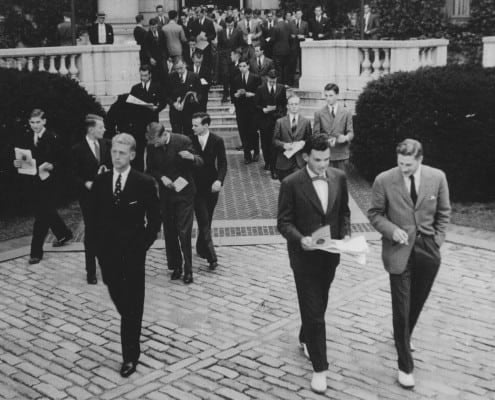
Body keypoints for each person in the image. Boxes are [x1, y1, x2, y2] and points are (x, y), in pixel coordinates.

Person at [368, 139, 451, 389]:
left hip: (427, 250)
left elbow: (444, 212)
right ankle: (405, 365)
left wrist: (436, 241)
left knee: (416, 302)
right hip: (398, 252)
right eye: (400, 163)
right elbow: (374, 214)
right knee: (401, 308)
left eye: (408, 164)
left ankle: (403, 336)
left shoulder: (437, 178)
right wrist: (392, 231)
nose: (403, 168)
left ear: (420, 160)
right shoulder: (383, 180)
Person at [277, 134, 351, 394]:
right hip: (304, 257)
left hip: (330, 255)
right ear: (306, 156)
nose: (323, 165)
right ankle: (320, 369)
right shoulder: (291, 183)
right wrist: (301, 240)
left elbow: (343, 212)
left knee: (318, 304)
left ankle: (304, 336)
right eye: (318, 160)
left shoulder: (339, 178)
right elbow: (283, 222)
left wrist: (347, 235)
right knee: (315, 313)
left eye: (327, 160)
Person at [92, 133, 160, 378]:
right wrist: (97, 255)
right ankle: (130, 322)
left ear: (132, 155)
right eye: (113, 152)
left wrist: (142, 245)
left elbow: (154, 220)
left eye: (121, 153)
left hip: (133, 254)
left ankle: (130, 356)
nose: (116, 157)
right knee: (121, 299)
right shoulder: (101, 182)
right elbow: (94, 221)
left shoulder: (143, 182)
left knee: (133, 304)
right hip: (108, 255)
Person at [12, 109, 73, 265]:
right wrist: (17, 163)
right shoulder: (27, 137)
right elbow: (24, 157)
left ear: (44, 121)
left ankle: (36, 252)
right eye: (32, 122)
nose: (35, 125)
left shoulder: (53, 138)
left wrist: (52, 166)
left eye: (38, 122)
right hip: (34, 182)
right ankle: (64, 234)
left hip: (50, 182)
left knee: (41, 217)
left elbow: (65, 161)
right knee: (46, 211)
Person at [145, 123, 203, 284]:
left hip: (185, 194)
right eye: (152, 143)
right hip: (166, 195)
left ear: (164, 135)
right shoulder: (152, 147)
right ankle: (176, 266)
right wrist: (161, 177)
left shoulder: (183, 140)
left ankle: (188, 269)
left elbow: (200, 162)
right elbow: (150, 169)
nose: (154, 145)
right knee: (170, 232)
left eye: (156, 142)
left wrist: (191, 157)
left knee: (184, 232)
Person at [71, 114, 112, 284]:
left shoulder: (106, 144)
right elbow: (72, 175)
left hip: (106, 196)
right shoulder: (77, 149)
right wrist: (86, 183)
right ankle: (91, 271)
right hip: (88, 197)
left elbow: (114, 165)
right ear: (91, 129)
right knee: (92, 231)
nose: (104, 130)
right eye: (101, 127)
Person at [190, 113, 227, 271]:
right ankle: (212, 257)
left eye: (196, 125)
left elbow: (223, 164)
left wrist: (219, 180)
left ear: (206, 126)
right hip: (196, 188)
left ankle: (200, 247)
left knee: (207, 219)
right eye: (193, 125)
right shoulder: (189, 140)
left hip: (212, 187)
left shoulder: (217, 140)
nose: (193, 128)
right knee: (204, 220)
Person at [128, 64, 166, 171]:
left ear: (150, 75)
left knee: (152, 148)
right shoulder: (135, 88)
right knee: (139, 148)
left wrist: (157, 108)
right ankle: (139, 170)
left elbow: (163, 101)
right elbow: (131, 104)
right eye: (141, 76)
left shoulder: (157, 86)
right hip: (139, 123)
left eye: (145, 75)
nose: (143, 78)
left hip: (152, 121)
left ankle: (153, 170)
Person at [255, 68, 287, 179]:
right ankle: (267, 161)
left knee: (275, 144)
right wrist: (263, 109)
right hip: (264, 120)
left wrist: (280, 113)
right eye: (271, 80)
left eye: (274, 80)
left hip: (277, 120)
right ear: (267, 78)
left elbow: (284, 104)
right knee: (265, 143)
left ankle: (274, 168)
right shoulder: (260, 89)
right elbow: (256, 105)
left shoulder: (281, 88)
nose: (273, 82)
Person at [313, 83, 354, 170]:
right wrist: (326, 140)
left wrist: (346, 138)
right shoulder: (319, 113)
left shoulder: (346, 112)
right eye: (326, 96)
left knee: (341, 181)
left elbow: (351, 132)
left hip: (342, 153)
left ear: (337, 95)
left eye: (331, 95)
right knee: (328, 181)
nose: (328, 98)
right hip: (326, 154)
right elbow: (315, 135)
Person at [273, 94, 312, 181]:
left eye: (296, 104)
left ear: (299, 106)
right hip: (284, 161)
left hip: (300, 161)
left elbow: (309, 140)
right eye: (291, 104)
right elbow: (274, 140)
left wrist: (304, 143)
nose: (294, 107)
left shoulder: (306, 122)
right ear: (287, 106)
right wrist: (284, 145)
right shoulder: (280, 122)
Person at [231, 58, 261, 165]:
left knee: (253, 132)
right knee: (243, 132)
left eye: (244, 66)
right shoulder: (236, 79)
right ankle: (247, 155)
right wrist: (236, 95)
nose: (242, 68)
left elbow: (259, 94)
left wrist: (251, 94)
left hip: (253, 110)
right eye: (240, 66)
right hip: (241, 110)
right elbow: (232, 95)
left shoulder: (255, 78)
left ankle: (256, 151)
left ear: (248, 66)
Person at [166, 59, 202, 137]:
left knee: (190, 135)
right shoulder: (171, 77)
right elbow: (166, 95)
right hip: (175, 113)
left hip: (189, 112)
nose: (179, 71)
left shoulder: (194, 76)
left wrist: (194, 100)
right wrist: (173, 103)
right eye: (177, 69)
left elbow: (200, 93)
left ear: (185, 65)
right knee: (177, 136)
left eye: (181, 68)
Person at [217, 16, 244, 102]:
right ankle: (225, 94)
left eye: (231, 24)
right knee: (225, 74)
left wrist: (237, 54)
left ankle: (233, 94)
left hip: (234, 57)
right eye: (228, 24)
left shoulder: (238, 32)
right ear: (226, 24)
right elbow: (219, 45)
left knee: (233, 75)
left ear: (234, 23)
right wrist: (221, 54)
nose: (230, 26)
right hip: (224, 56)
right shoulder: (221, 32)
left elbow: (241, 45)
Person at [143, 18, 168, 87]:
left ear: (157, 25)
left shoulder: (161, 33)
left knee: (164, 74)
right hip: (153, 59)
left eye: (155, 27)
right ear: (150, 26)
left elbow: (164, 45)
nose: (154, 28)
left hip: (162, 58)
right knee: (155, 76)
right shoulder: (147, 35)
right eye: (152, 27)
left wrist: (165, 56)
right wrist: (150, 58)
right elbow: (146, 48)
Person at [270, 10, 291, 86]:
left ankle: (280, 84)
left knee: (278, 68)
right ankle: (286, 83)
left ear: (275, 16)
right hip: (287, 49)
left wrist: (269, 40)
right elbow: (289, 38)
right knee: (286, 67)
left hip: (277, 50)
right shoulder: (288, 25)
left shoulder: (275, 27)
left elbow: (273, 40)